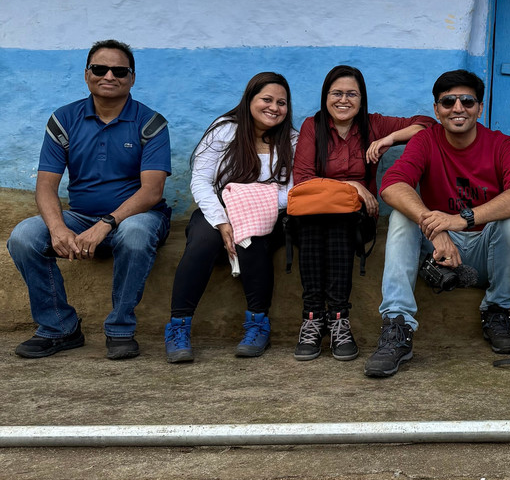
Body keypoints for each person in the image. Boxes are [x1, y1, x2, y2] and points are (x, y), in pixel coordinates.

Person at [364, 69, 510, 378]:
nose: (458, 108)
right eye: (448, 102)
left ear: (479, 108)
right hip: (438, 252)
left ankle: (496, 311)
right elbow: (392, 185)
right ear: (436, 110)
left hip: (486, 251)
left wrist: (460, 219)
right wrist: (437, 228)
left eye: (467, 101)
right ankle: (397, 327)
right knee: (401, 216)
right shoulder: (425, 140)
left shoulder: (501, 144)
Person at [8, 39, 171, 360]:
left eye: (119, 71)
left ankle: (120, 329)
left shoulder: (150, 123)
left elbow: (152, 192)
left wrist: (106, 224)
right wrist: (58, 229)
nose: (109, 76)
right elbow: (46, 187)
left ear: (132, 78)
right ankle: (59, 327)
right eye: (100, 69)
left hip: (137, 218)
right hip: (80, 216)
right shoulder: (63, 120)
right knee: (23, 237)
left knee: (136, 234)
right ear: (87, 75)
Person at [291, 65, 434, 362]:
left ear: (361, 98)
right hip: (314, 217)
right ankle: (313, 318)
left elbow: (427, 125)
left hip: (357, 220)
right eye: (337, 93)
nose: (343, 100)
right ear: (325, 96)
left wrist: (389, 139)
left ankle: (339, 319)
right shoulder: (312, 127)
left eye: (351, 94)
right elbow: (303, 180)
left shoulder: (374, 124)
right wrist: (352, 185)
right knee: (313, 222)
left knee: (340, 221)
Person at [163, 72, 298, 363]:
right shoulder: (224, 130)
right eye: (266, 99)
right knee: (202, 241)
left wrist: (249, 205)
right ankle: (178, 327)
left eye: (282, 102)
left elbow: (293, 190)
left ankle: (258, 324)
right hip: (218, 211)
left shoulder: (292, 140)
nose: (274, 107)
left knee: (252, 240)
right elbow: (201, 180)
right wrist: (224, 220)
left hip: (268, 216)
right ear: (249, 100)